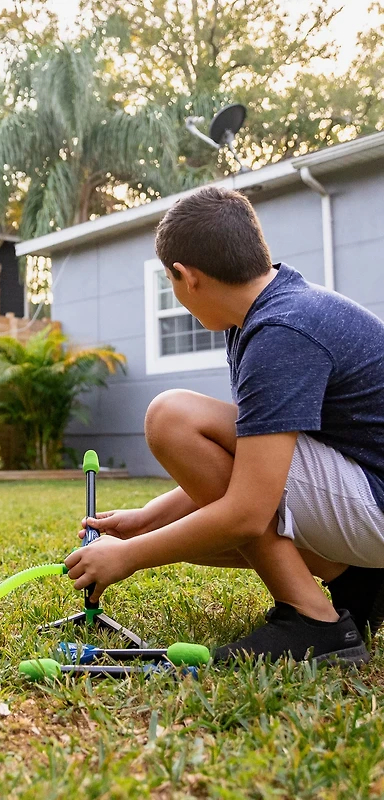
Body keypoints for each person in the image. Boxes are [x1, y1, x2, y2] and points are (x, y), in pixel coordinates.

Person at [65, 185, 384, 664]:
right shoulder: (270, 309)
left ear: (184, 277)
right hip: (365, 492)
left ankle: (313, 621)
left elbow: (247, 510)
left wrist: (127, 557)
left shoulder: (282, 331)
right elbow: (252, 464)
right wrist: (145, 521)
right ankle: (359, 583)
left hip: (375, 499)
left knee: (171, 417)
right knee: (201, 537)